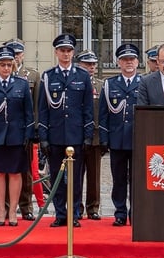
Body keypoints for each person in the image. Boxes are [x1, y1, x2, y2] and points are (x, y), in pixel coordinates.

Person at [37, 33, 94, 227]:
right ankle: (60, 213)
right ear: (56, 53)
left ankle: (75, 213)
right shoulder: (48, 76)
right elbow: (43, 109)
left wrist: (87, 135)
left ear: (73, 53)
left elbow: (87, 108)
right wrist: (43, 137)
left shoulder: (82, 76)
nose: (66, 54)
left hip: (76, 135)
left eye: (69, 51)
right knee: (57, 177)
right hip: (55, 135)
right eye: (62, 51)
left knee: (76, 178)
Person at [0, 46, 34, 226]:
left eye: (9, 65)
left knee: (16, 174)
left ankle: (13, 212)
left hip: (16, 136)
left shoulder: (21, 84)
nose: (6, 68)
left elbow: (28, 113)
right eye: (3, 65)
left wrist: (28, 134)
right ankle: (1, 210)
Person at [99, 43, 141, 226]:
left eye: (131, 59)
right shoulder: (110, 84)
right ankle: (120, 212)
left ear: (137, 62)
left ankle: (137, 212)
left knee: (137, 179)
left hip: (138, 139)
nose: (129, 63)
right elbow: (103, 114)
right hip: (117, 139)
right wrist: (104, 138)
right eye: (125, 60)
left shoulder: (145, 83)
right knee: (119, 179)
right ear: (119, 63)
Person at [5, 39, 44, 220]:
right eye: (12, 53)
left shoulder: (32, 76)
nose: (15, 57)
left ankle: (26, 206)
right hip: (5, 131)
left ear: (22, 55)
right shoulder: (0, 74)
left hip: (25, 131)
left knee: (26, 171)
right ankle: (5, 207)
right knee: (4, 170)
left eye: (18, 53)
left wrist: (35, 129)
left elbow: (37, 105)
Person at [76, 49, 104, 220]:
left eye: (93, 64)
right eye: (87, 64)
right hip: (77, 135)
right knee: (76, 175)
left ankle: (93, 208)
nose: (91, 67)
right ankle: (76, 206)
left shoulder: (101, 85)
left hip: (95, 136)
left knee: (94, 176)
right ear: (79, 65)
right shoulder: (74, 82)